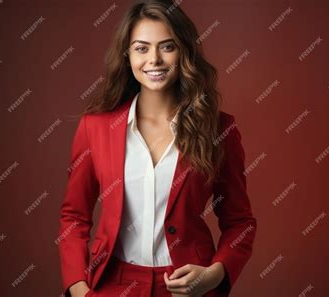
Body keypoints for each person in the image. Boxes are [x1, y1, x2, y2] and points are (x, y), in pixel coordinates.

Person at [58, 1, 257, 296]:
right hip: (113, 283)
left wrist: (214, 276)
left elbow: (240, 222)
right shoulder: (95, 127)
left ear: (183, 52)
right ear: (127, 56)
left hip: (189, 286)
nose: (154, 59)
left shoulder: (218, 129)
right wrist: (78, 288)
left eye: (167, 47)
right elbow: (74, 217)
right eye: (141, 48)